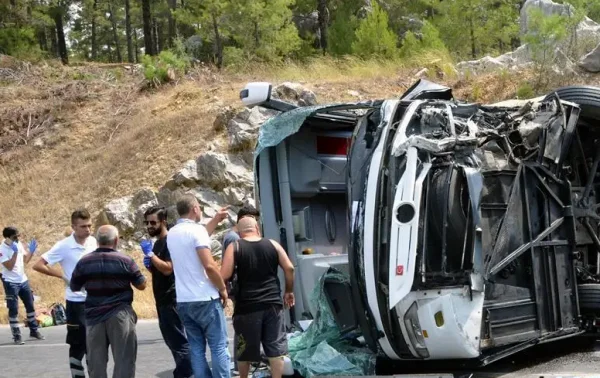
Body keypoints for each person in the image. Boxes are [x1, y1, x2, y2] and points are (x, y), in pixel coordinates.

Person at [220, 217, 295, 378]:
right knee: (275, 348)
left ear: (239, 232)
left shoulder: (235, 246)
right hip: (273, 304)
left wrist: (222, 290)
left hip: (246, 307)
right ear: (257, 228)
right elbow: (289, 268)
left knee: (243, 348)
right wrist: (289, 291)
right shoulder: (273, 245)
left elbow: (224, 275)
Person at [167, 194, 231, 378]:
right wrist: (222, 288)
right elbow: (209, 266)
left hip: (184, 300)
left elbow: (200, 234)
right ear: (195, 209)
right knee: (218, 345)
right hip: (205, 298)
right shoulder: (197, 232)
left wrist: (216, 219)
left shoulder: (173, 233)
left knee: (196, 348)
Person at [70, 225, 147, 378]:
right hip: (120, 314)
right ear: (116, 240)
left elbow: (74, 286)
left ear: (97, 241)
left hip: (93, 315)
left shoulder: (84, 262)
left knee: (96, 362)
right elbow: (142, 284)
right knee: (124, 359)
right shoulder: (126, 260)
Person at [33, 209, 98, 378]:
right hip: (76, 302)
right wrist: (63, 276)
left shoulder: (93, 242)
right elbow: (39, 265)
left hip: (95, 300)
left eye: (90, 225)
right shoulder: (63, 246)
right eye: (83, 226)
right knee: (78, 344)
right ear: (73, 227)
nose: (88, 229)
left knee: (95, 343)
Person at [140, 206, 193, 378]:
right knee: (171, 340)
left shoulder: (170, 241)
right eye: (147, 222)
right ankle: (183, 371)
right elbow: (159, 270)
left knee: (178, 341)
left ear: (163, 221)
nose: (149, 226)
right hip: (161, 298)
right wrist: (150, 264)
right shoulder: (157, 244)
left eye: (153, 222)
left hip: (172, 298)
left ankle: (186, 374)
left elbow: (169, 269)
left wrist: (151, 256)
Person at [0, 226, 44, 344]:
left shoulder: (18, 244)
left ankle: (34, 330)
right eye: (15, 236)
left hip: (22, 280)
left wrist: (31, 251)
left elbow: (26, 260)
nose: (18, 238)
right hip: (10, 281)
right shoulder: (2, 249)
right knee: (13, 309)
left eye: (18, 236)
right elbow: (9, 266)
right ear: (7, 238)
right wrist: (14, 253)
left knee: (30, 305)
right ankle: (17, 335)